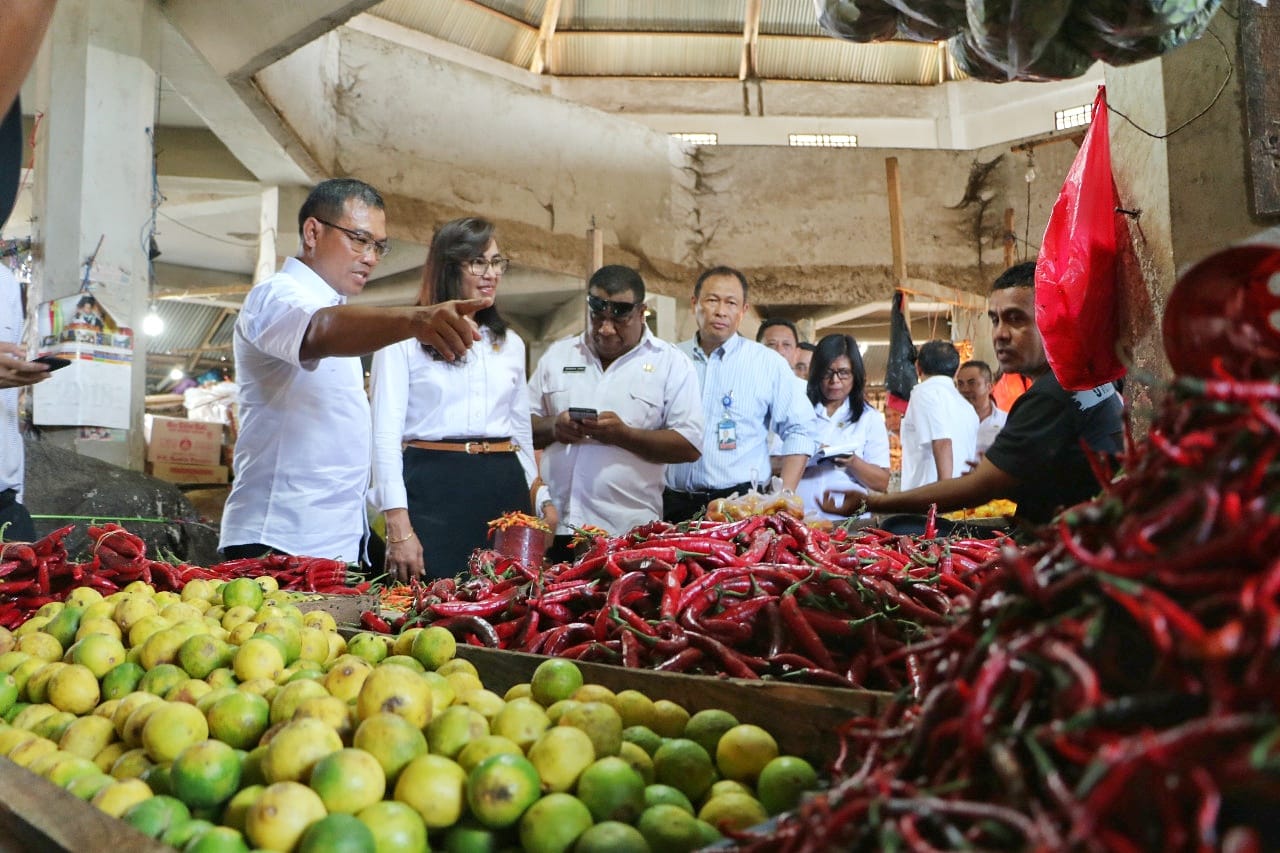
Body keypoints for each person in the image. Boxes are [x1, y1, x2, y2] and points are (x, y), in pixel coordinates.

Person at [219, 179, 488, 564]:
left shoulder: (337, 309)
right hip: (279, 538)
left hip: (331, 540)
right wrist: (415, 320)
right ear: (313, 232)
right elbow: (318, 329)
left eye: (378, 245)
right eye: (359, 239)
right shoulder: (276, 296)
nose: (372, 257)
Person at [822, 262, 1124, 525]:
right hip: (1082, 538)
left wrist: (871, 502)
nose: (1000, 334)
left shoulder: (1050, 395)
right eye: (995, 319)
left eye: (1016, 318)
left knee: (903, 529)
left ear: (1052, 320)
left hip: (1068, 551)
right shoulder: (1084, 381)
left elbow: (980, 487)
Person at [369, 218, 541, 582]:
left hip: (504, 488)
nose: (490, 273)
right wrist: (397, 523)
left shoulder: (510, 344)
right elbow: (384, 438)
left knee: (509, 605)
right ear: (448, 266)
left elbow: (521, 436)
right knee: (432, 605)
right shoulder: (403, 341)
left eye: (496, 262)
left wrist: (537, 499)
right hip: (433, 487)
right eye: (478, 262)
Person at [530, 265, 702, 550]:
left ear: (641, 312)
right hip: (555, 527)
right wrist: (555, 427)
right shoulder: (560, 355)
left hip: (627, 532)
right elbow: (521, 427)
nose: (606, 329)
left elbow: (689, 445)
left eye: (619, 320)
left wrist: (624, 435)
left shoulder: (670, 364)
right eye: (598, 318)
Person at [664, 266, 818, 522]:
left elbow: (800, 430)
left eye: (731, 302)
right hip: (674, 503)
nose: (721, 311)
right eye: (712, 300)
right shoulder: (669, 359)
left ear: (743, 310)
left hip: (741, 505)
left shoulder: (767, 363)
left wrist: (785, 497)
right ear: (694, 304)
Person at [795, 334, 890, 521]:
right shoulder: (798, 409)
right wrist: (804, 454)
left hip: (849, 521)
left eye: (843, 373)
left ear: (856, 375)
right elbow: (770, 463)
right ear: (816, 373)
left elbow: (881, 482)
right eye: (827, 373)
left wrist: (853, 462)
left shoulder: (868, 418)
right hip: (799, 516)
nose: (835, 381)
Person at [899, 340, 978, 489]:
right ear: (956, 371)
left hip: (929, 502)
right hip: (959, 497)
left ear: (918, 367)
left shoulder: (924, 393)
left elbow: (942, 442)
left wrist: (943, 497)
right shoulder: (967, 407)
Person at [955, 359, 1007, 456]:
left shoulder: (1005, 422)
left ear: (989, 387)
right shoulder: (951, 421)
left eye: (972, 383)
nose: (965, 390)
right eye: (960, 384)